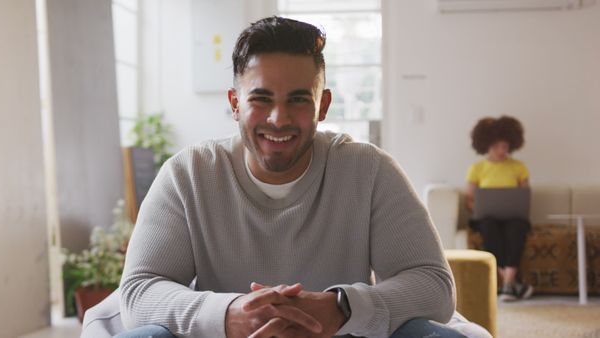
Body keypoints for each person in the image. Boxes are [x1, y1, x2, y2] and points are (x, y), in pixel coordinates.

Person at [113, 16, 487, 338]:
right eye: (261, 99)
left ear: (322, 104)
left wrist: (342, 307)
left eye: (298, 99)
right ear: (234, 104)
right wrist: (229, 315)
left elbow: (434, 286)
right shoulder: (188, 174)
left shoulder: (369, 171)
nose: (279, 118)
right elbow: (137, 293)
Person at [466, 116, 534, 302]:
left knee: (517, 228)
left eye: (504, 146)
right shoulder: (477, 168)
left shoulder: (519, 167)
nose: (501, 151)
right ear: (486, 145)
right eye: (496, 146)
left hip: (514, 218)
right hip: (486, 218)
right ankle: (512, 285)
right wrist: (478, 206)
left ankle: (508, 284)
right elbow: (470, 200)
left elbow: (524, 197)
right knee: (489, 228)